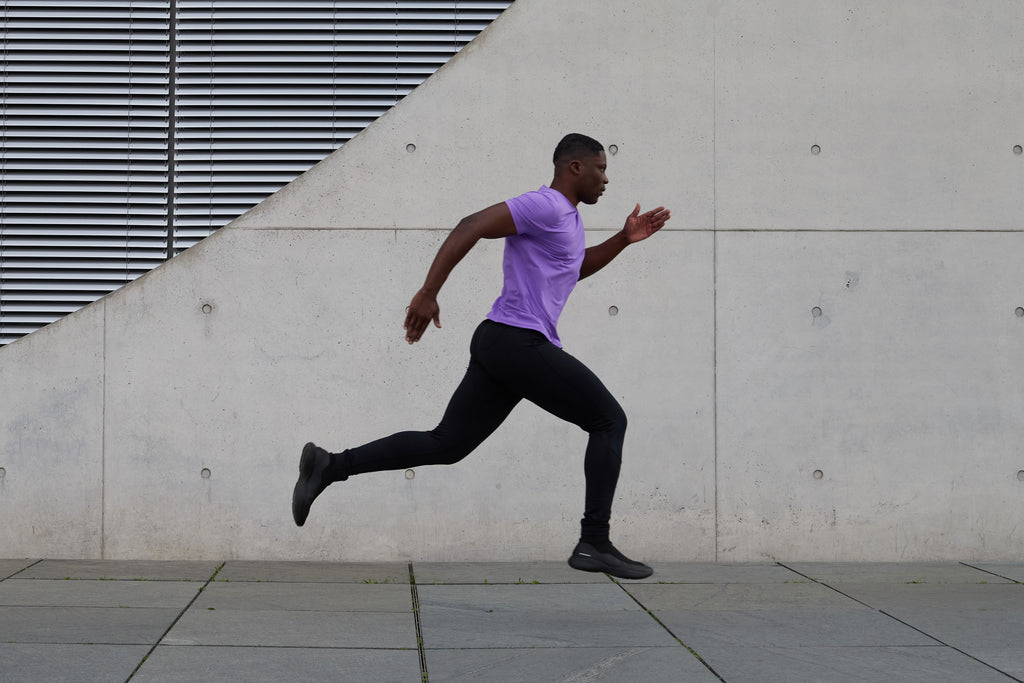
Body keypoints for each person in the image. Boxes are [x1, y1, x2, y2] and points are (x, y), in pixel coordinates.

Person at [292, 133, 670, 580]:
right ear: (574, 168)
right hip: (516, 341)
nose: (606, 179)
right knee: (609, 420)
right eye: (600, 169)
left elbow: (575, 268)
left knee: (447, 444)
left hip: (502, 343)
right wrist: (428, 292)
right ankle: (594, 541)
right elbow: (471, 224)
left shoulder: (566, 219)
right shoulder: (545, 205)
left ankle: (331, 465)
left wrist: (624, 239)